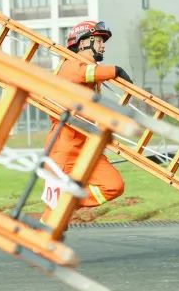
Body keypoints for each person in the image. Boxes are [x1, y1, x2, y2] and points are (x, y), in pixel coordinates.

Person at [40, 20, 130, 226]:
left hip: (88, 147)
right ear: (82, 43)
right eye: (98, 40)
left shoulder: (91, 74)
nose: (103, 45)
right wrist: (114, 70)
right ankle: (42, 243)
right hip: (63, 150)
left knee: (113, 186)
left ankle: (67, 202)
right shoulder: (70, 65)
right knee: (52, 211)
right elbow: (85, 73)